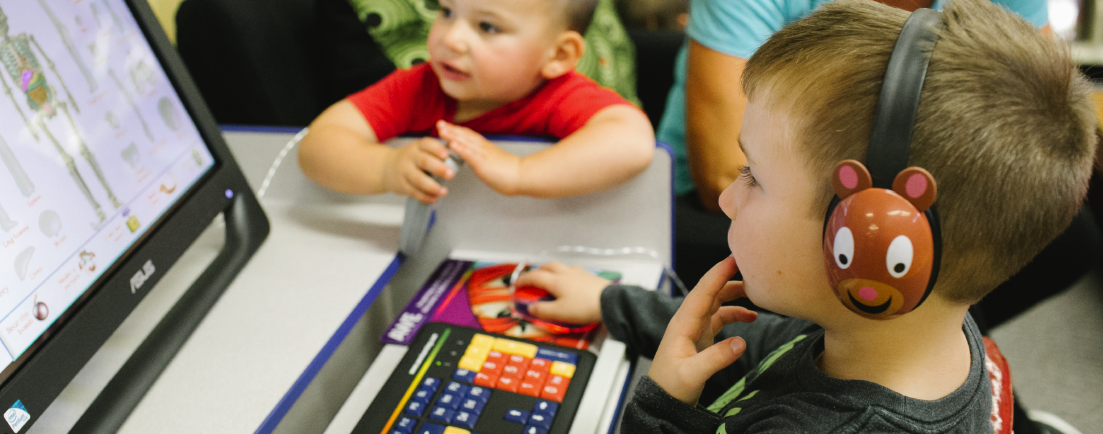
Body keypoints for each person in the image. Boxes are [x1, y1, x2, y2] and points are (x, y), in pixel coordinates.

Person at [514, 0, 1097, 431]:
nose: (724, 197)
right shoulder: (889, 324)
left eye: (753, 177)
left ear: (870, 247)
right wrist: (610, 303)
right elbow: (773, 340)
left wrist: (660, 408)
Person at [297, 0, 655, 204]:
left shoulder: (560, 94)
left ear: (558, 55)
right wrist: (387, 167)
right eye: (447, 12)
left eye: (487, 27)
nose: (451, 39)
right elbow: (319, 144)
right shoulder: (421, 87)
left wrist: (520, 173)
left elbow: (632, 140)